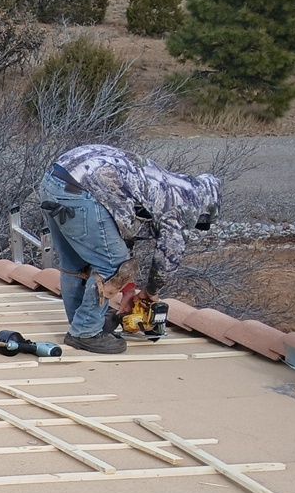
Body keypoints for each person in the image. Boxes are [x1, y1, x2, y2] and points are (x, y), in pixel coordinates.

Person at [39, 144, 221, 355]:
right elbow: (168, 257)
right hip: (83, 192)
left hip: (54, 181)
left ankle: (83, 323)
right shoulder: (187, 204)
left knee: (74, 264)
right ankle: (86, 332)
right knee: (113, 266)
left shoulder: (162, 181)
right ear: (206, 209)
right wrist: (150, 293)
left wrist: (127, 290)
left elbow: (119, 233)